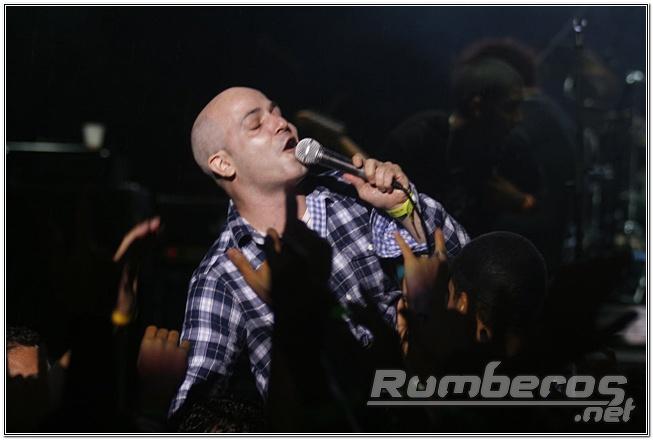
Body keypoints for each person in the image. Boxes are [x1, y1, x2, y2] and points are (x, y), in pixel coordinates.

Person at [170, 87, 469, 415]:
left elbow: (473, 266)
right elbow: (194, 410)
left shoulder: (356, 194)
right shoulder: (223, 275)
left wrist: (404, 210)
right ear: (224, 163)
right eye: (256, 124)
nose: (281, 124)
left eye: (277, 112)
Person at [381, 58, 537, 238]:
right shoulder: (418, 139)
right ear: (476, 106)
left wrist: (522, 202)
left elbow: (545, 214)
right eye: (510, 107)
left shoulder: (508, 149)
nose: (519, 118)